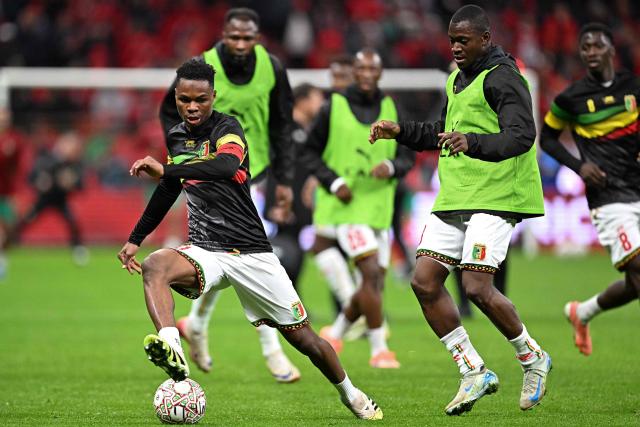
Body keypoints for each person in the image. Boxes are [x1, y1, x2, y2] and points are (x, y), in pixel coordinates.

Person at [118, 59, 383, 421]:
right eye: (184, 100)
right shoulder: (178, 137)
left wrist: (168, 169)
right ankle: (174, 351)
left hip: (251, 254)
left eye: (200, 99)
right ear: (176, 99)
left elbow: (225, 167)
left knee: (305, 340)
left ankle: (351, 395)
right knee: (155, 266)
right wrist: (136, 238)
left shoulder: (228, 128)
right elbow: (168, 188)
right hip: (205, 250)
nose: (192, 107)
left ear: (213, 96)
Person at [369, 4, 551, 414]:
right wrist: (401, 132)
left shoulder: (503, 77)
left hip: (498, 194)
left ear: (485, 39)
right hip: (457, 195)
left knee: (476, 287)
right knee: (424, 281)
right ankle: (473, 370)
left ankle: (532, 357)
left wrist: (473, 141)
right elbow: (442, 134)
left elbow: (522, 136)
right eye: (451, 39)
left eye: (462, 40)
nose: (454, 47)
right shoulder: (455, 79)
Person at [159, 7, 299, 382]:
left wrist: (285, 181)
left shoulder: (273, 68)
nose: (239, 44)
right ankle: (271, 349)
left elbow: (283, 124)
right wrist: (181, 156)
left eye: (246, 38)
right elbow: (166, 110)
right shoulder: (200, 67)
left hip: (255, 173)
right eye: (233, 37)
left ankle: (198, 324)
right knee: (244, 257)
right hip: (210, 175)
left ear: (257, 38)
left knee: (234, 258)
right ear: (222, 34)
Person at [304, 48, 415, 369]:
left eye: (372, 69)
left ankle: (336, 332)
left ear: (380, 73)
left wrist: (393, 167)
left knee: (374, 283)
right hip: (346, 209)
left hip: (378, 209)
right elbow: (310, 152)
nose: (366, 74)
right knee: (368, 275)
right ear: (353, 71)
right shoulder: (332, 107)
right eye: (361, 68)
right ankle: (380, 349)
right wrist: (333, 181)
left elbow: (409, 154)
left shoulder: (393, 107)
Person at [539, 23, 640, 356]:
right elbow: (547, 138)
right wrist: (579, 166)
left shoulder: (633, 87)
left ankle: (582, 312)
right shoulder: (572, 98)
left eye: (597, 46)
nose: (591, 52)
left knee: (635, 283)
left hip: (637, 186)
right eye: (585, 47)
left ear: (611, 49)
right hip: (609, 199)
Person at [263, 83, 325, 289]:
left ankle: (293, 303)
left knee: (295, 253)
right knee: (288, 254)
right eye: (317, 99)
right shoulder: (287, 128)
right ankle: (283, 303)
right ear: (303, 100)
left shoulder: (306, 131)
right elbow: (276, 170)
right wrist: (275, 203)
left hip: (298, 203)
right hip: (286, 203)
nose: (321, 104)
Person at [10, 131, 89, 266]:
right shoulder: (47, 158)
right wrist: (40, 183)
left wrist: (71, 183)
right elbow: (32, 177)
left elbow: (80, 185)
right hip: (44, 199)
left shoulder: (74, 164)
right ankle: (10, 243)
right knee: (26, 219)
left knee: (72, 221)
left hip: (61, 199)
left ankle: (78, 248)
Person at [0, 108, 25, 279]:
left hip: (7, 192)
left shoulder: (14, 140)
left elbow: (17, 169)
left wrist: (16, 194)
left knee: (9, 229)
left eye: (6, 117)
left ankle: (3, 256)